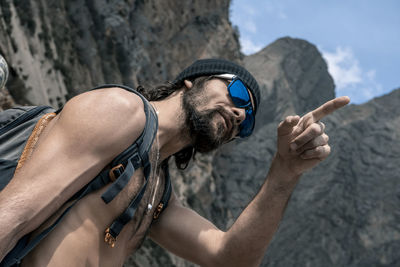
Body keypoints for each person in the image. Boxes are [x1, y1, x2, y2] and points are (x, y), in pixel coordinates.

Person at [0, 58, 349, 266]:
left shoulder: (157, 195)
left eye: (249, 121)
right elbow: (13, 213)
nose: (241, 113)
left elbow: (228, 258)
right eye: (238, 93)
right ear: (190, 81)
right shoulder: (121, 111)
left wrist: (284, 171)